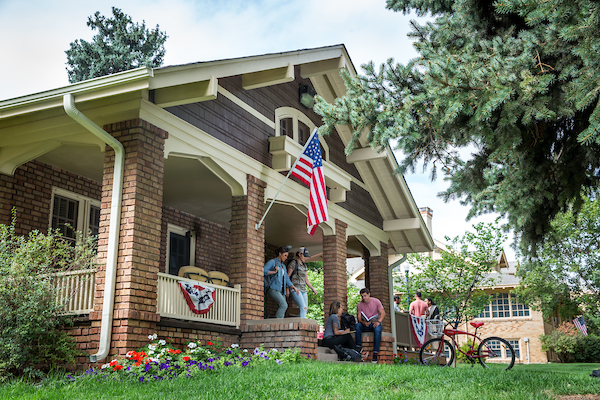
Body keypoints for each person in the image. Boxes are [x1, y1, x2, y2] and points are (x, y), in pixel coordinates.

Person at [264, 246, 299, 318]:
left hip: (281, 290)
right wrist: (274, 272)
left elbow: (286, 278)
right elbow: (263, 270)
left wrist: (292, 286)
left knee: (284, 306)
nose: (286, 257)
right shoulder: (272, 262)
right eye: (285, 255)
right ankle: (277, 323)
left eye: (287, 256)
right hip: (273, 288)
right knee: (284, 305)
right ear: (280, 254)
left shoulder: (283, 266)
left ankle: (280, 323)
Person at [355, 288, 385, 364]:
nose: (363, 298)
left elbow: (382, 313)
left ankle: (375, 353)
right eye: (362, 296)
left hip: (374, 323)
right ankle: (359, 347)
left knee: (378, 330)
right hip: (365, 324)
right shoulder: (360, 304)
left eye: (365, 296)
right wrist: (363, 322)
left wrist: (379, 321)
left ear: (369, 294)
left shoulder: (376, 301)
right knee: (358, 326)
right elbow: (358, 317)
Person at [287, 246, 318, 318]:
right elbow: (287, 277)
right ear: (299, 254)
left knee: (305, 309)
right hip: (295, 288)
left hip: (303, 289)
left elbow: (306, 279)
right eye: (304, 256)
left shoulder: (304, 266)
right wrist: (287, 289)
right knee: (303, 307)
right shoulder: (293, 263)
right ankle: (302, 326)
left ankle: (299, 322)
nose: (305, 258)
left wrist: (313, 289)